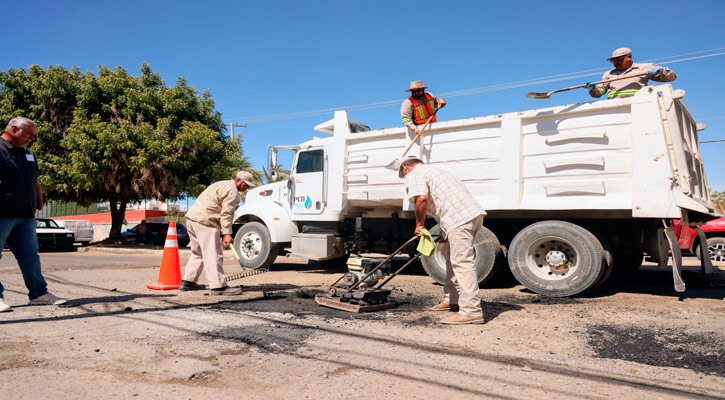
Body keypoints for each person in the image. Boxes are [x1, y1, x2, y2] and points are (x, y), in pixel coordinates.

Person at [399, 157, 486, 325]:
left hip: (459, 218)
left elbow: (422, 199)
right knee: (451, 257)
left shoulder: (415, 173)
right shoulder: (439, 172)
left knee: (462, 262)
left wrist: (419, 224)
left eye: (403, 174)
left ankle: (471, 311)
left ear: (405, 167)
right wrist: (446, 229)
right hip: (471, 215)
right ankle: (452, 298)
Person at [0, 117, 68, 312]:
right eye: (29, 134)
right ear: (14, 129)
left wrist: (39, 202)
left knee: (30, 255)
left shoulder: (28, 153)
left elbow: (35, 181)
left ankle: (39, 294)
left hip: (26, 215)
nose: (32, 139)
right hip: (2, 212)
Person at [179, 171, 255, 295]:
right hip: (206, 221)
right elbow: (226, 214)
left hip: (192, 219)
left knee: (198, 252)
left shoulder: (220, 184)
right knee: (213, 254)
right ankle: (218, 286)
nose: (247, 188)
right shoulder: (232, 192)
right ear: (238, 180)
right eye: (246, 184)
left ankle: (188, 281)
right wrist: (227, 234)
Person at [587, 47, 677, 99]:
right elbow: (598, 93)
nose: (615, 62)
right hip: (615, 107)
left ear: (629, 57)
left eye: (618, 59)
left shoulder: (644, 68)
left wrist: (661, 71)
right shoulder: (608, 74)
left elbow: (672, 78)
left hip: (639, 105)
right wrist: (593, 89)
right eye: (613, 60)